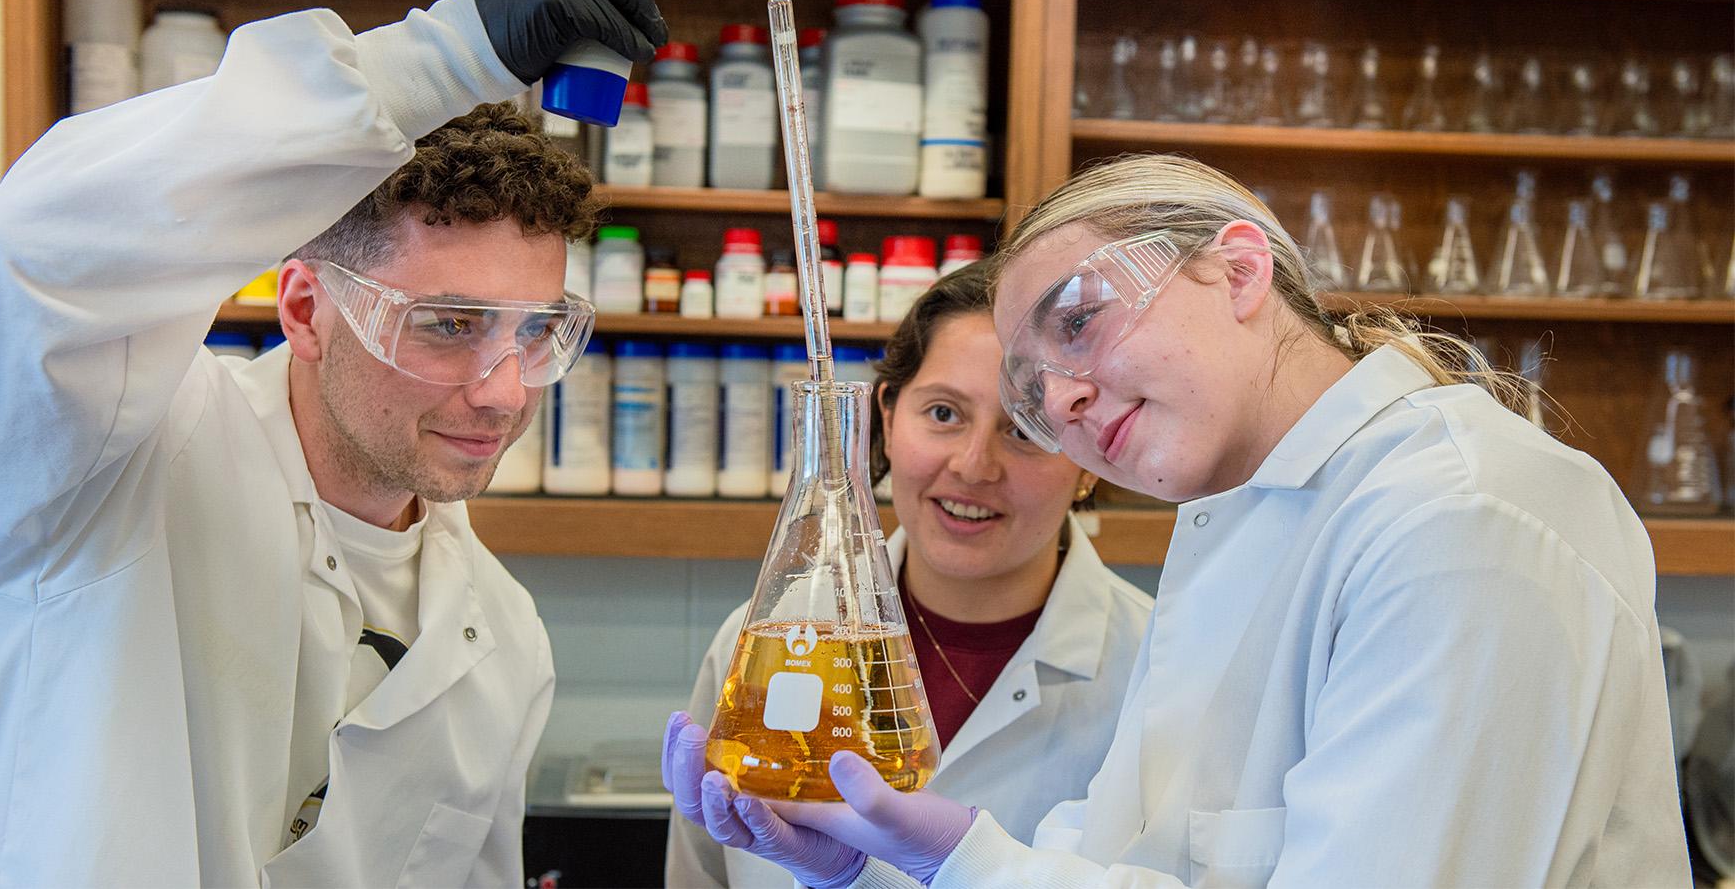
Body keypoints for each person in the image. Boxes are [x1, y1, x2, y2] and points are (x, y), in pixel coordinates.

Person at [0, 0, 713, 885]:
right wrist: (454, 51)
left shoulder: (503, 637)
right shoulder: (101, 465)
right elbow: (28, 251)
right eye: (447, 324)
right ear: (304, 307)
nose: (505, 391)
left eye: (538, 332)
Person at [666, 154, 1692, 887]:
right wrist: (883, 868)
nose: (1059, 401)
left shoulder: (1463, 522)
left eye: (1078, 320)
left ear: (1239, 269)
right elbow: (1114, 867)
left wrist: (961, 858)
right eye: (1034, 389)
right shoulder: (1235, 539)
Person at [665, 263, 1155, 887]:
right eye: (944, 413)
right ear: (887, 419)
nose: (975, 467)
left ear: (1089, 458)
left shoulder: (1155, 670)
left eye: (1026, 428)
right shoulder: (764, 646)